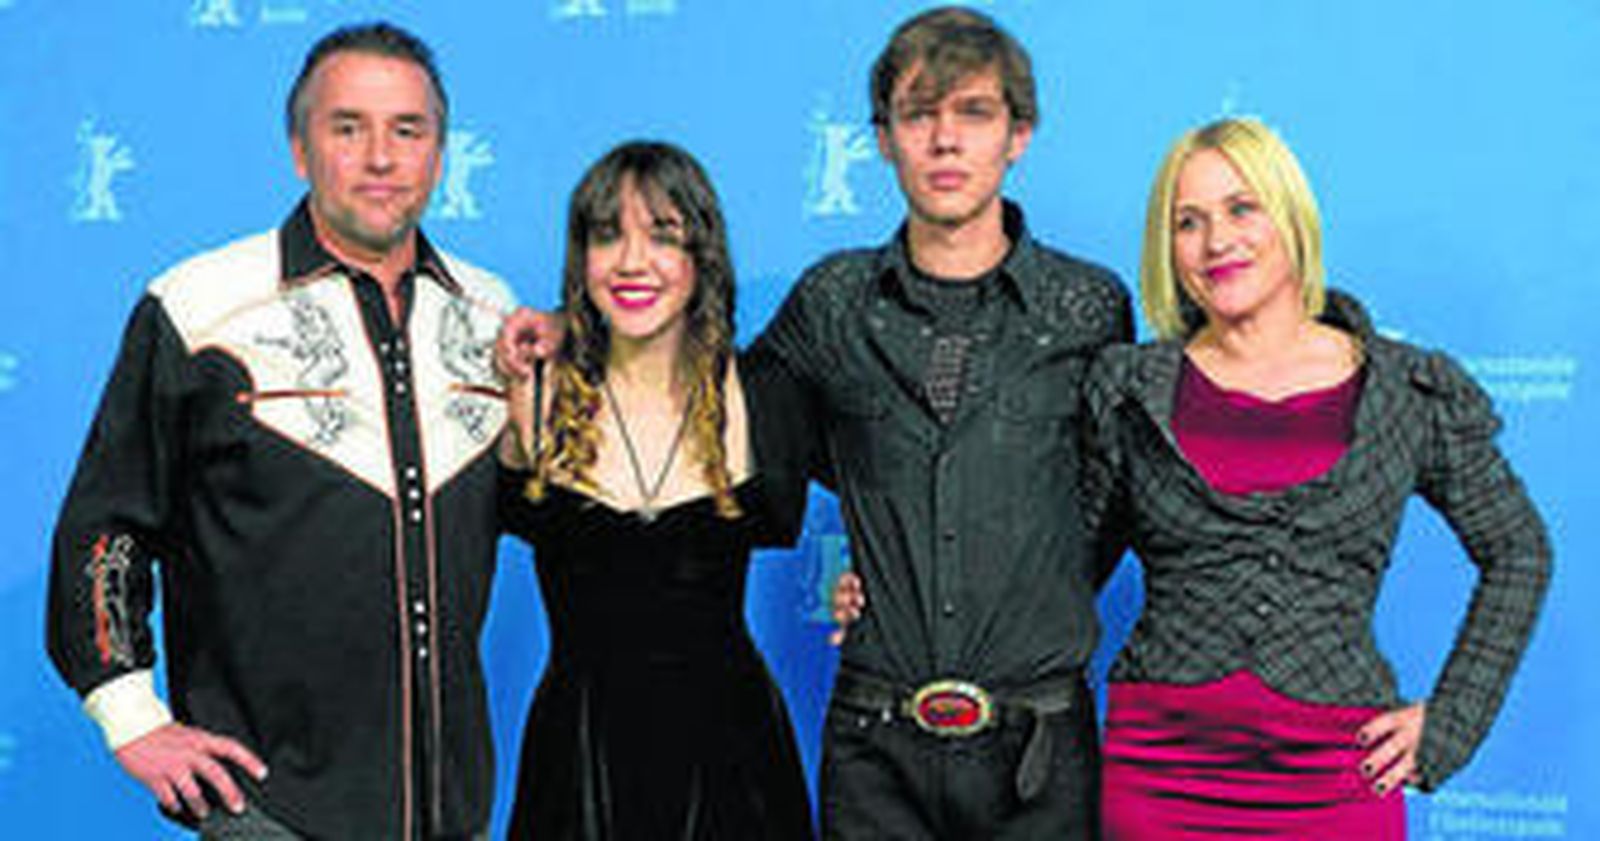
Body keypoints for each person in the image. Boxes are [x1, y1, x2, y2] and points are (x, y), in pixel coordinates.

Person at [499, 8, 1130, 836]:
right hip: (876, 746)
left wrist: (1003, 592)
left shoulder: (1091, 306)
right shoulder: (831, 305)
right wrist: (569, 322)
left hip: (1039, 743)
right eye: (918, 114)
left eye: (973, 113)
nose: (945, 141)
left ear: (1019, 134)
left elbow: (1118, 490)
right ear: (881, 137)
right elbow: (694, 371)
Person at [46, 22, 514, 840]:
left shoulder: (492, 314)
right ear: (300, 149)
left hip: (453, 810)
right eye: (347, 128)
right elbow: (107, 523)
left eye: (408, 130)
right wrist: (130, 715)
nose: (380, 157)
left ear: (440, 152)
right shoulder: (199, 307)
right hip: (268, 810)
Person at [1081, 116, 1552, 838]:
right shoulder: (1130, 389)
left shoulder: (1408, 389)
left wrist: (1453, 720)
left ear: (1291, 217)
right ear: (1166, 247)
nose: (1217, 241)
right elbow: (1055, 572)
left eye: (1243, 208)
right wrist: (891, 592)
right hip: (1159, 773)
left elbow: (1519, 549)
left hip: (1335, 779)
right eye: (1188, 222)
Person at [495, 141, 813, 839]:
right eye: (608, 235)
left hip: (734, 757)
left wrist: (861, 585)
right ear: (581, 260)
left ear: (703, 255)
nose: (633, 261)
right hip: (578, 763)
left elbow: (896, 477)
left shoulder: (763, 393)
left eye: (663, 235)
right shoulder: (532, 387)